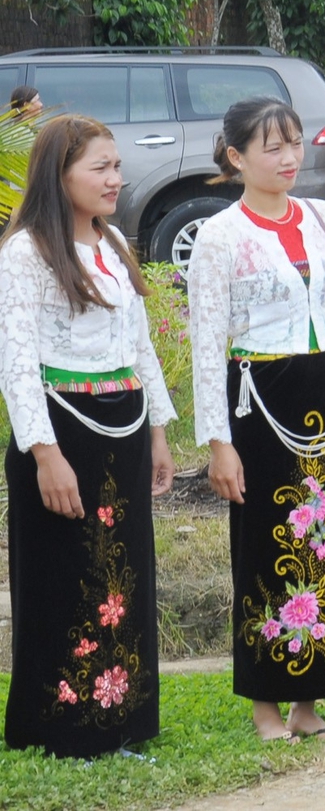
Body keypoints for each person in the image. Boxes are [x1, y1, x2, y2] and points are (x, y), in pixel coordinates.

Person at [189, 98, 325, 737]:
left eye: (294, 143)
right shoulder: (220, 235)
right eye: (272, 147)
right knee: (266, 548)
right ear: (236, 157)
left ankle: (310, 703)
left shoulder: (324, 216)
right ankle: (266, 704)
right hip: (260, 400)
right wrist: (218, 441)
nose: (289, 158)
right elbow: (206, 342)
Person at [2, 116, 176, 758]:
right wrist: (44, 453)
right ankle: (62, 727)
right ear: (59, 173)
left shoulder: (112, 245)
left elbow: (140, 345)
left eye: (117, 166)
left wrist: (158, 429)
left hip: (123, 430)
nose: (116, 179)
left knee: (122, 573)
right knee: (63, 575)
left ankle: (121, 718)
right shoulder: (26, 253)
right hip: (61, 434)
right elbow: (16, 361)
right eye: (100, 167)